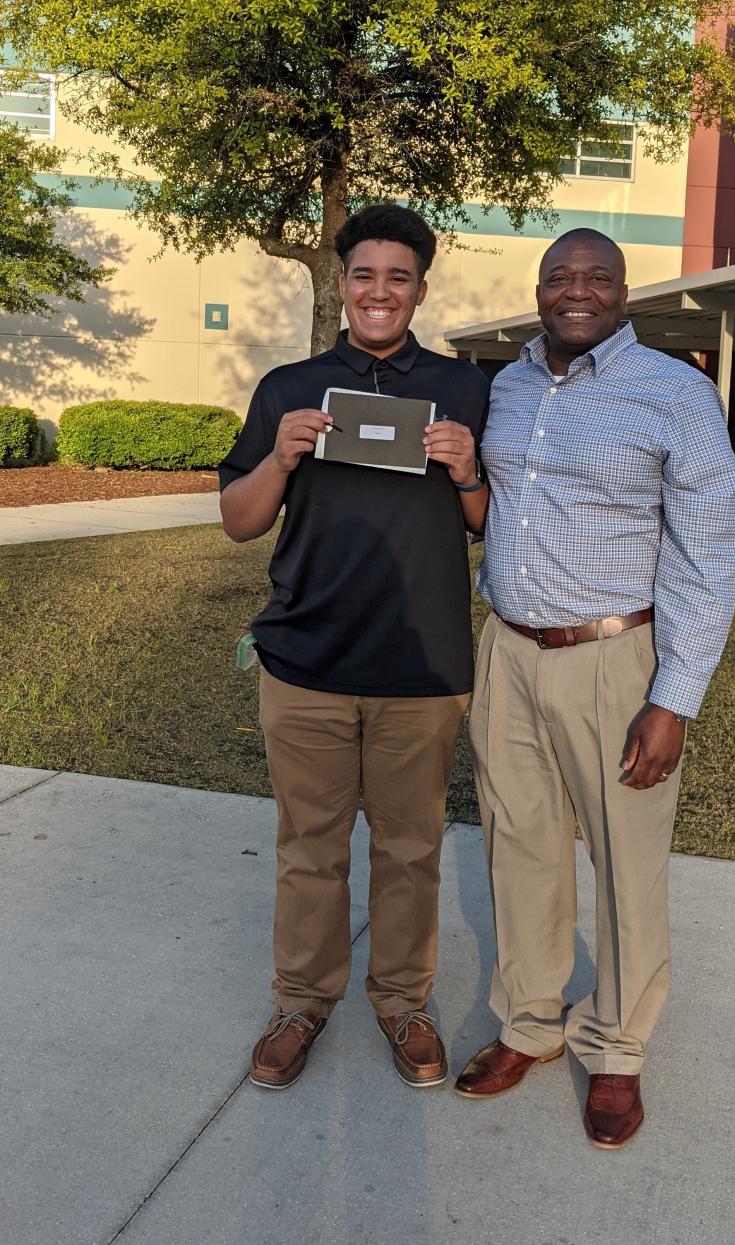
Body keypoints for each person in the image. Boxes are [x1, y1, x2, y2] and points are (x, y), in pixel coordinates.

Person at [455, 228, 735, 1149]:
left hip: (617, 660)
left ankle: (616, 1050)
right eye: (560, 278)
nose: (577, 292)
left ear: (624, 291)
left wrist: (675, 697)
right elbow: (496, 509)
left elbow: (710, 552)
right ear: (539, 291)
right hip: (508, 648)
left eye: (597, 278)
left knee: (626, 859)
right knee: (520, 844)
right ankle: (532, 1024)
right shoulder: (509, 386)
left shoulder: (677, 393)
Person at [219, 204, 488, 1092]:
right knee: (310, 846)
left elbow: (497, 527)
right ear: (344, 282)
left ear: (420, 287)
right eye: (365, 274)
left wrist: (468, 470)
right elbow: (238, 521)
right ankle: (301, 999)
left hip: (423, 666)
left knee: (411, 848)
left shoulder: (463, 389)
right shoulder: (289, 386)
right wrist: (282, 459)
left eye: (399, 276)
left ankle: (404, 1000)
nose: (380, 291)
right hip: (307, 663)